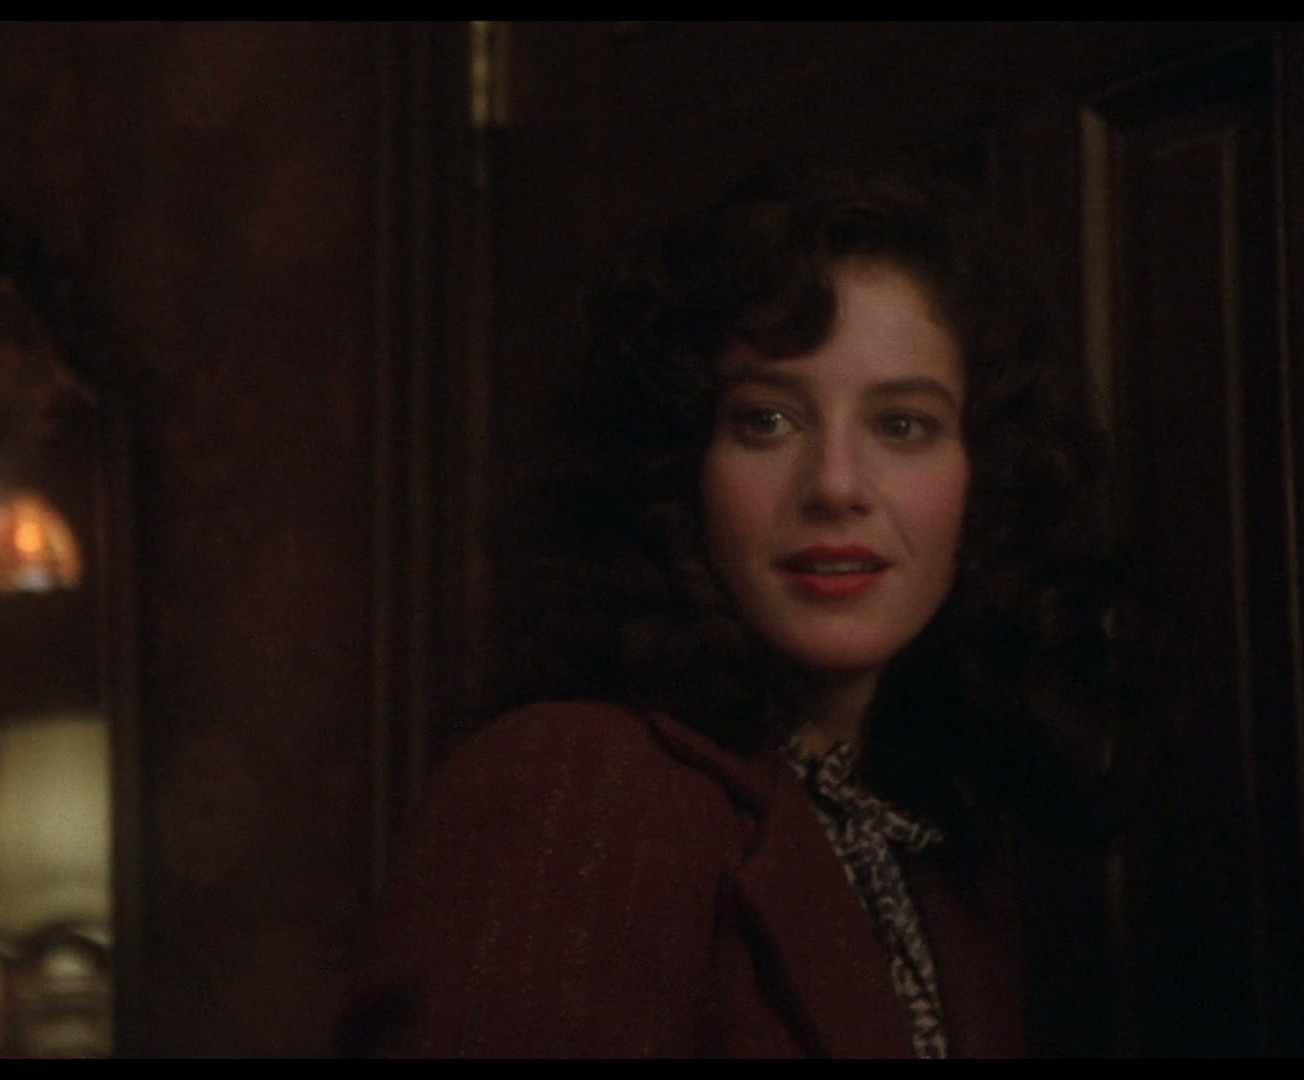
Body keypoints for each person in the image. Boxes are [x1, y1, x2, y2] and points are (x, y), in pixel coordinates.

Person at [335, 157, 1127, 1058]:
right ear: (679, 469)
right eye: (767, 421)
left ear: (985, 480)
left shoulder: (936, 839)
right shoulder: (577, 776)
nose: (835, 484)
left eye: (902, 425)